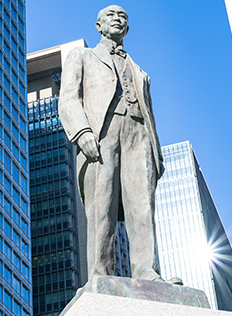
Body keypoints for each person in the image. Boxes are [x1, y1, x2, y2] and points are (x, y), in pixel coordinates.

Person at [59, 5, 182, 285]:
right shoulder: (83, 56)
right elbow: (67, 98)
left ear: (127, 28)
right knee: (102, 206)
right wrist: (82, 131)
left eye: (123, 16)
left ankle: (146, 271)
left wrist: (156, 153)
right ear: (98, 26)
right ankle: (101, 275)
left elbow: (149, 113)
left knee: (143, 206)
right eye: (111, 15)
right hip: (103, 132)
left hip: (138, 134)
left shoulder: (139, 70)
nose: (118, 18)